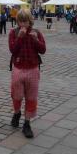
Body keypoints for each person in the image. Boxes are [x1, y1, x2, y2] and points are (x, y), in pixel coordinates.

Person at [9, 9, 46, 138]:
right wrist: (19, 37)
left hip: (33, 69)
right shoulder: (14, 33)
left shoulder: (36, 32)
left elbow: (43, 50)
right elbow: (13, 50)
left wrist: (36, 40)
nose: (23, 24)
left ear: (30, 21)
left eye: (25, 21)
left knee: (31, 97)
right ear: (17, 21)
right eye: (20, 21)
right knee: (16, 95)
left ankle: (27, 123)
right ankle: (17, 112)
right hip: (18, 68)